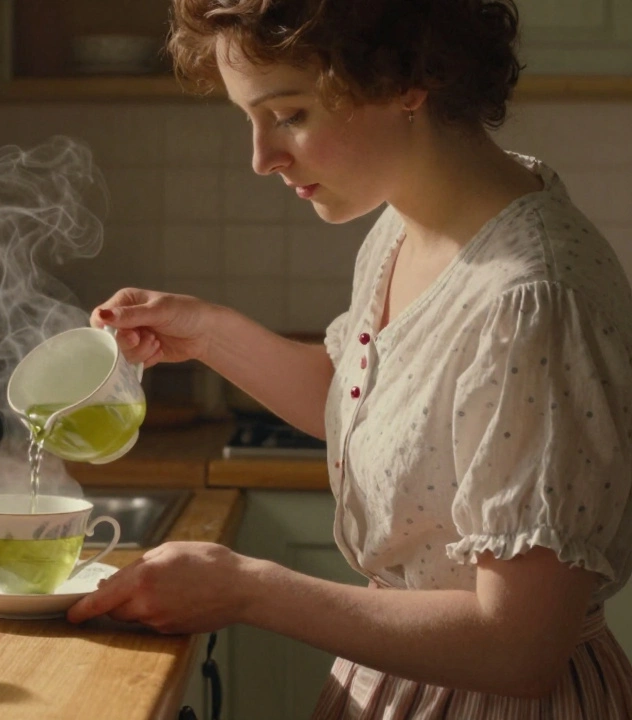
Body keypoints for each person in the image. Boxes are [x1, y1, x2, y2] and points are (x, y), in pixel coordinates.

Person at [67, 0, 632, 715]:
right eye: (252, 119)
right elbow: (361, 401)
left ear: (408, 78)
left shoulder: (535, 301)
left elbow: (518, 645)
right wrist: (204, 333)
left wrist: (246, 588)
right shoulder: (408, 226)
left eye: (290, 114)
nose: (261, 157)